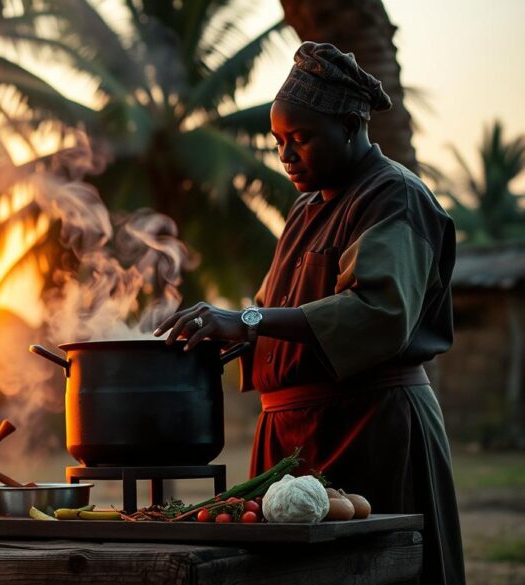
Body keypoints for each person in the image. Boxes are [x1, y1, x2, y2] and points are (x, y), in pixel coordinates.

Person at [153, 42, 465, 585]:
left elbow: (377, 312)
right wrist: (224, 332)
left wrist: (246, 321)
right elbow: (279, 312)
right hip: (290, 438)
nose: (285, 155)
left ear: (349, 126)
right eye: (277, 142)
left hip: (368, 427)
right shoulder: (306, 207)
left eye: (300, 139)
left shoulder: (393, 196)